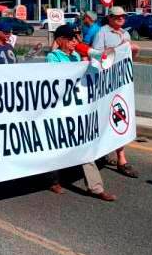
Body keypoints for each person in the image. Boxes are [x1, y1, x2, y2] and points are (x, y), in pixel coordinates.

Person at [46, 25, 117, 201]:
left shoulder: (76, 56)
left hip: (77, 110)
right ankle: (53, 179)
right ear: (61, 40)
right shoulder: (52, 57)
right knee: (56, 147)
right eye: (70, 40)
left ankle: (96, 187)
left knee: (85, 147)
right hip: (60, 111)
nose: (74, 43)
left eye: (76, 39)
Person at [91, 6, 140, 178]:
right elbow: (96, 56)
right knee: (105, 118)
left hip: (121, 82)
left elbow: (129, 59)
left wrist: (133, 51)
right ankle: (102, 153)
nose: (120, 19)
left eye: (123, 17)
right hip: (106, 82)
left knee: (120, 118)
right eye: (117, 16)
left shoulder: (125, 34)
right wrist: (118, 49)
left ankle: (121, 158)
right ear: (109, 18)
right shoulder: (102, 33)